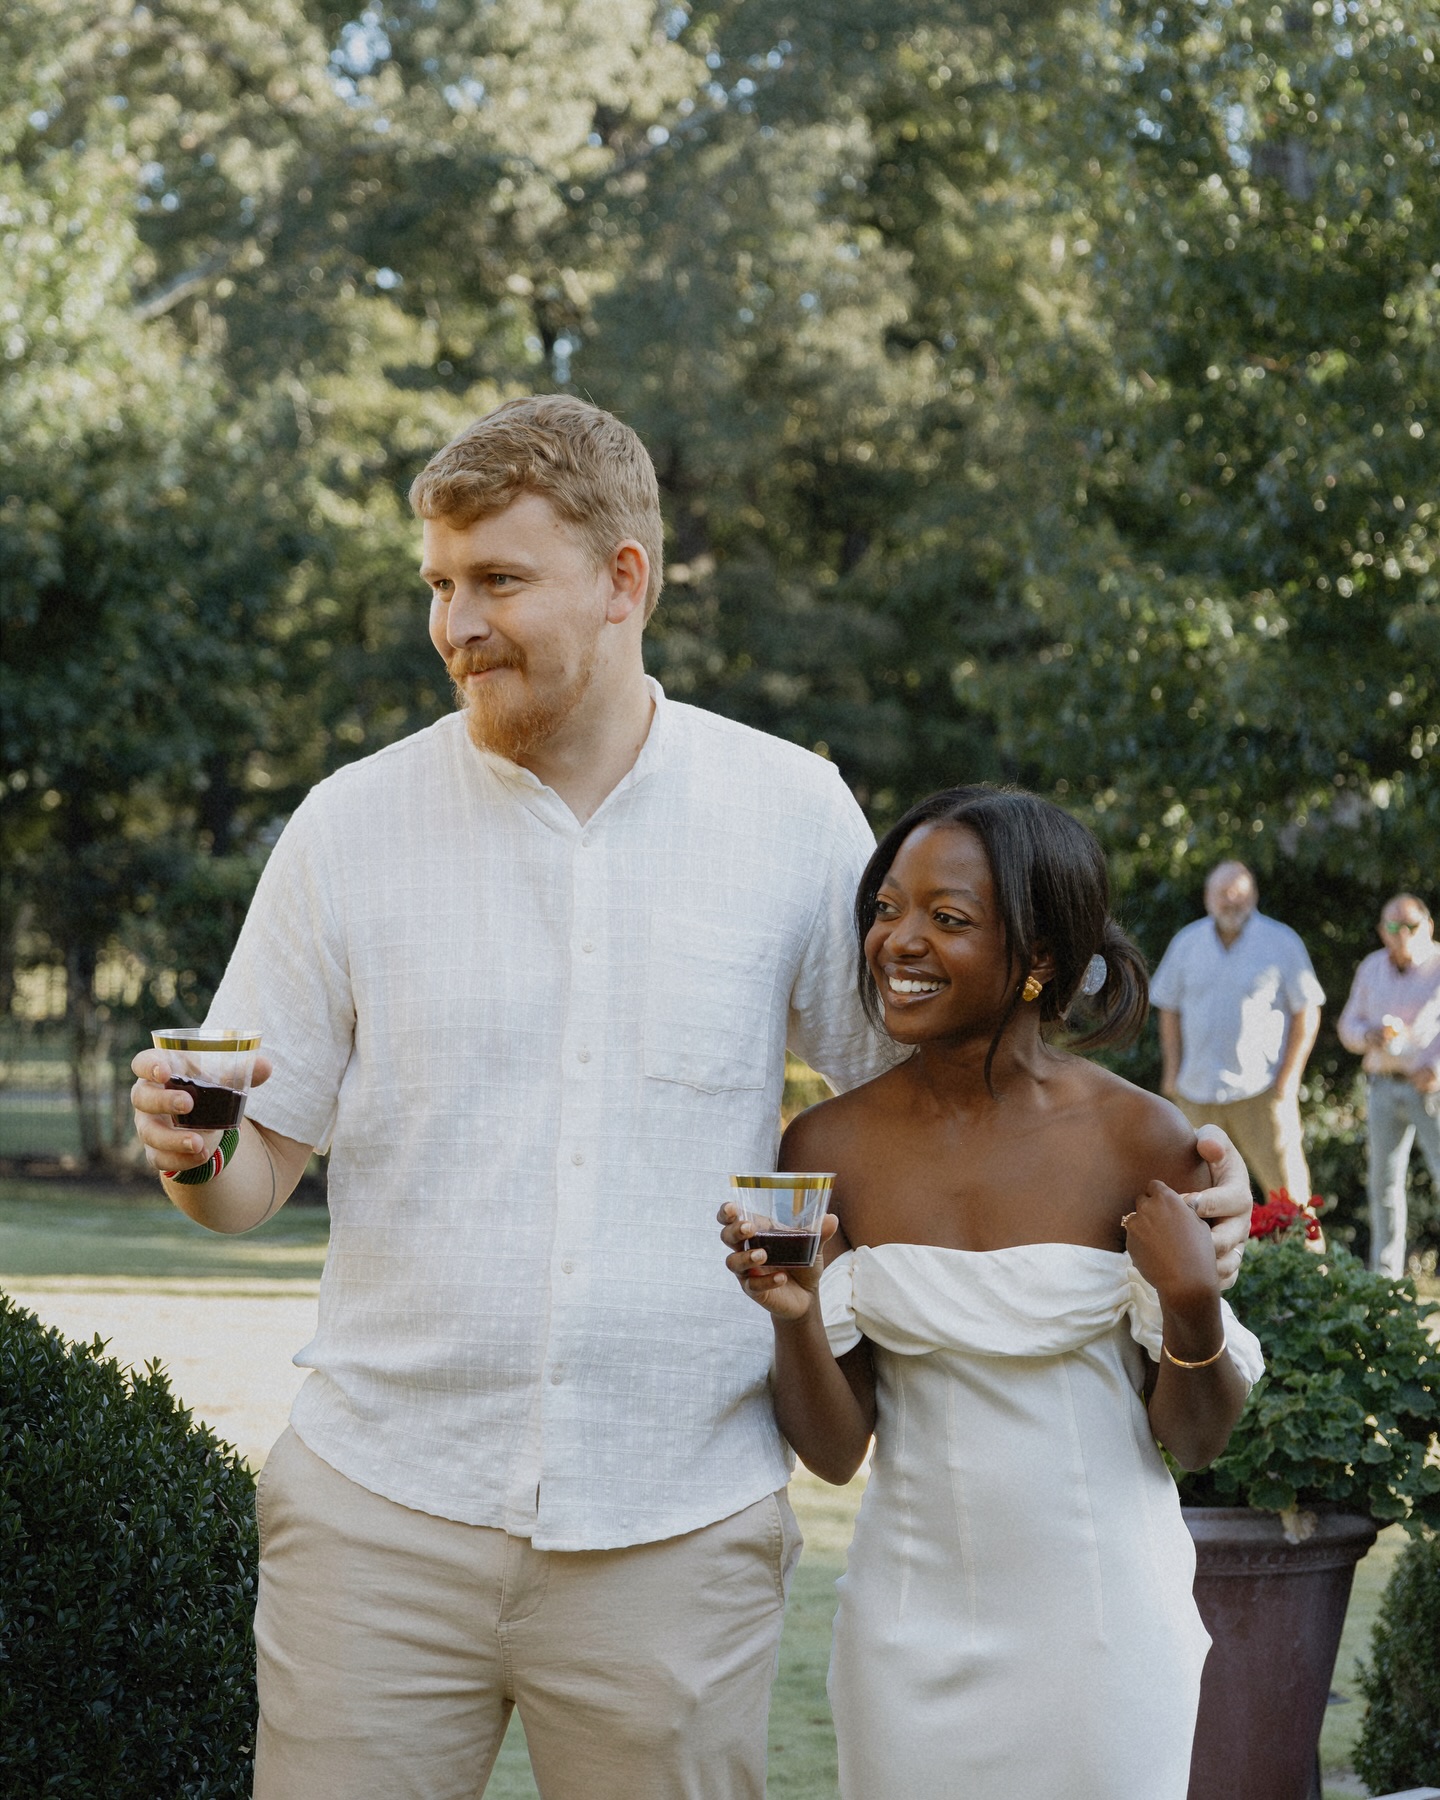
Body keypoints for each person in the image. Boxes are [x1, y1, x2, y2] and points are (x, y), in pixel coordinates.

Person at [128, 397, 1255, 1800]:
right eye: (438, 584)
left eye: (497, 581)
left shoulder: (789, 815)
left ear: (623, 582)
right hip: (380, 1517)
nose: (454, 624)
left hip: (677, 1525)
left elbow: (929, 1105)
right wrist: (193, 1152)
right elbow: (251, 1179)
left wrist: (1178, 1183)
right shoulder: (349, 823)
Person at [721, 786, 1263, 1800]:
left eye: (947, 918)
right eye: (885, 909)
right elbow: (835, 1453)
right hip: (905, 1629)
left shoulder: (1142, 1139)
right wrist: (794, 1320)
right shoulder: (828, 1147)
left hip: (1107, 1629)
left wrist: (1192, 1307)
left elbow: (1194, 1441)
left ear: (1042, 960)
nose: (898, 941)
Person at [1151, 860, 1324, 1201]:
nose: (1231, 901)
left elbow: (1308, 1011)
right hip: (1195, 1092)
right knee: (1192, 1196)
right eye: (1223, 893)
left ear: (1254, 895)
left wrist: (1288, 1080)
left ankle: (1308, 1257)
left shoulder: (1281, 942)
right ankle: (1204, 1257)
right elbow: (1168, 1009)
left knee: (1290, 1199)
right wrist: (1172, 1073)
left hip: (1261, 1090)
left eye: (1240, 893)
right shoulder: (1187, 943)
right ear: (1207, 898)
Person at [1337, 894, 1440, 1277]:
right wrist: (1370, 1035)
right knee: (1383, 1187)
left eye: (1411, 925)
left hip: (1431, 1089)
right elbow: (1348, 1027)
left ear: (1427, 926)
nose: (1403, 934)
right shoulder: (1371, 968)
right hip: (1382, 1086)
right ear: (1383, 931)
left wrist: (1437, 1068)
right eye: (1394, 927)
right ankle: (1385, 1279)